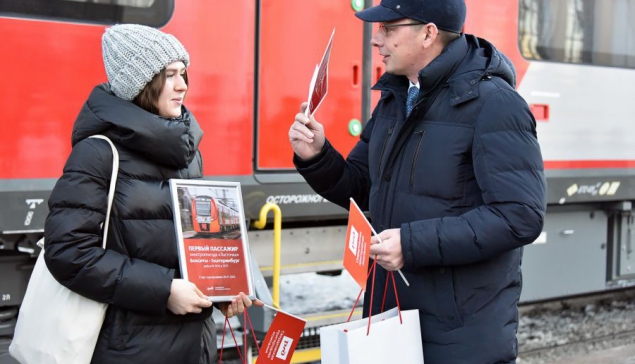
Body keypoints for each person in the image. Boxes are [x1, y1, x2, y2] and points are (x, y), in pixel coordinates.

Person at [289, 0, 546, 363]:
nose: (376, 40)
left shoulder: (495, 105)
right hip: (391, 320)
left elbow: (520, 216)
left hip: (458, 336)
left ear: (428, 33)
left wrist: (412, 244)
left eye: (388, 29)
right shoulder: (395, 100)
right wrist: (316, 155)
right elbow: (360, 185)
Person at [44, 24, 261, 364]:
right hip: (130, 350)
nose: (183, 85)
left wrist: (220, 290)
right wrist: (163, 291)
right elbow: (68, 252)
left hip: (193, 346)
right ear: (141, 84)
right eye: (170, 75)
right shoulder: (98, 153)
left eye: (184, 73)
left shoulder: (188, 154)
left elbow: (194, 249)